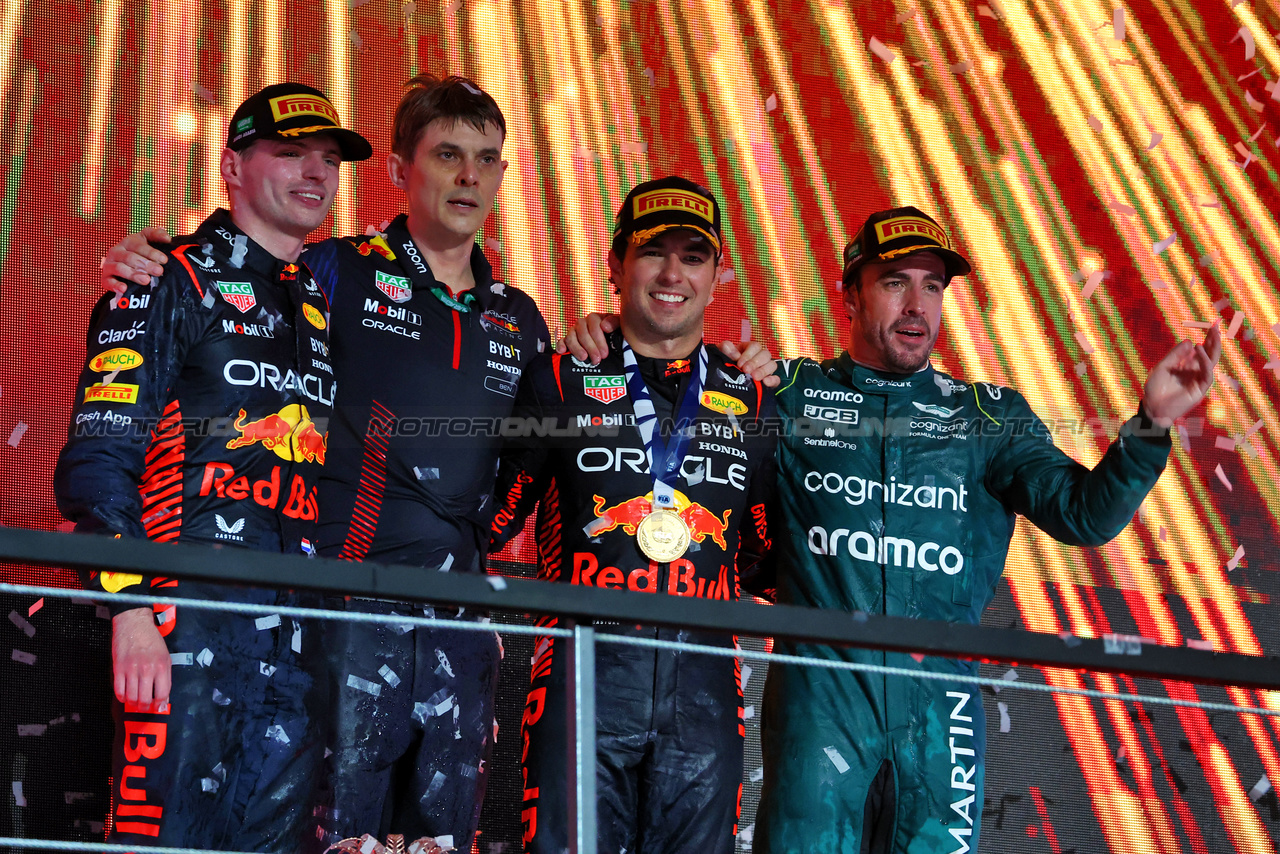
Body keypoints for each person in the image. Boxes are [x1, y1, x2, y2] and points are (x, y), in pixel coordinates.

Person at [99, 75, 778, 851]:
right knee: (333, 839)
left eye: (485, 160)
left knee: (438, 843)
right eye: (448, 155)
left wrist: (652, 348)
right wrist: (154, 256)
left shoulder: (520, 320)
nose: (467, 177)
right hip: (342, 616)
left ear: (502, 177)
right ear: (397, 171)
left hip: (459, 633)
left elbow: (525, 471)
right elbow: (245, 273)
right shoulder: (333, 271)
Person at [565, 205, 1221, 854]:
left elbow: (1085, 515)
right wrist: (609, 335)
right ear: (850, 294)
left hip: (942, 719)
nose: (918, 304)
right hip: (820, 705)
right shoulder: (783, 391)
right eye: (895, 282)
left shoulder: (988, 417)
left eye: (933, 286)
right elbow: (674, 410)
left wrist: (1151, 426)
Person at [55, 82, 369, 849]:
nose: (314, 173)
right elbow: (99, 458)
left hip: (294, 640)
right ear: (231, 165)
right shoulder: (170, 279)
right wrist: (129, 610)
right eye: (289, 153)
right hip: (182, 622)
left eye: (327, 159)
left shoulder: (317, 305)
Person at [490, 176, 777, 854]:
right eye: (653, 252)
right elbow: (492, 518)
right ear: (615, 264)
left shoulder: (754, 399)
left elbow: (770, 560)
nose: (673, 273)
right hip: (582, 677)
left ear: (719, 275)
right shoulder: (561, 377)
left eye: (694, 255)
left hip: (704, 692)